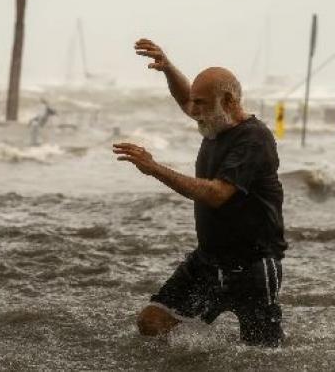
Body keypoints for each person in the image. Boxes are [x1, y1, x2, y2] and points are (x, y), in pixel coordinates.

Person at [112, 38, 287, 347]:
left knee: (262, 356)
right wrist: (167, 68)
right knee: (152, 322)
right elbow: (186, 99)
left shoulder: (254, 139)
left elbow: (217, 194)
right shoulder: (214, 122)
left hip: (253, 266)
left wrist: (154, 168)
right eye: (194, 103)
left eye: (201, 103)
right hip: (208, 261)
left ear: (230, 101)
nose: (193, 111)